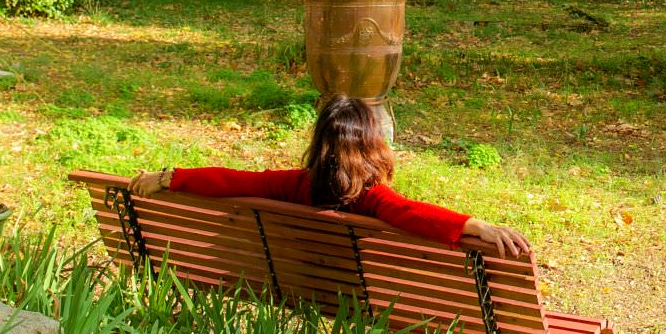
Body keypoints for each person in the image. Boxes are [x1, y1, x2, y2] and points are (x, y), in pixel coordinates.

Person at [129, 95, 530, 258]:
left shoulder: (294, 186)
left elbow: (231, 181)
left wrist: (169, 177)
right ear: (372, 144)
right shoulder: (370, 199)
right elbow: (410, 212)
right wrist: (476, 225)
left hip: (299, 282)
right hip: (359, 293)